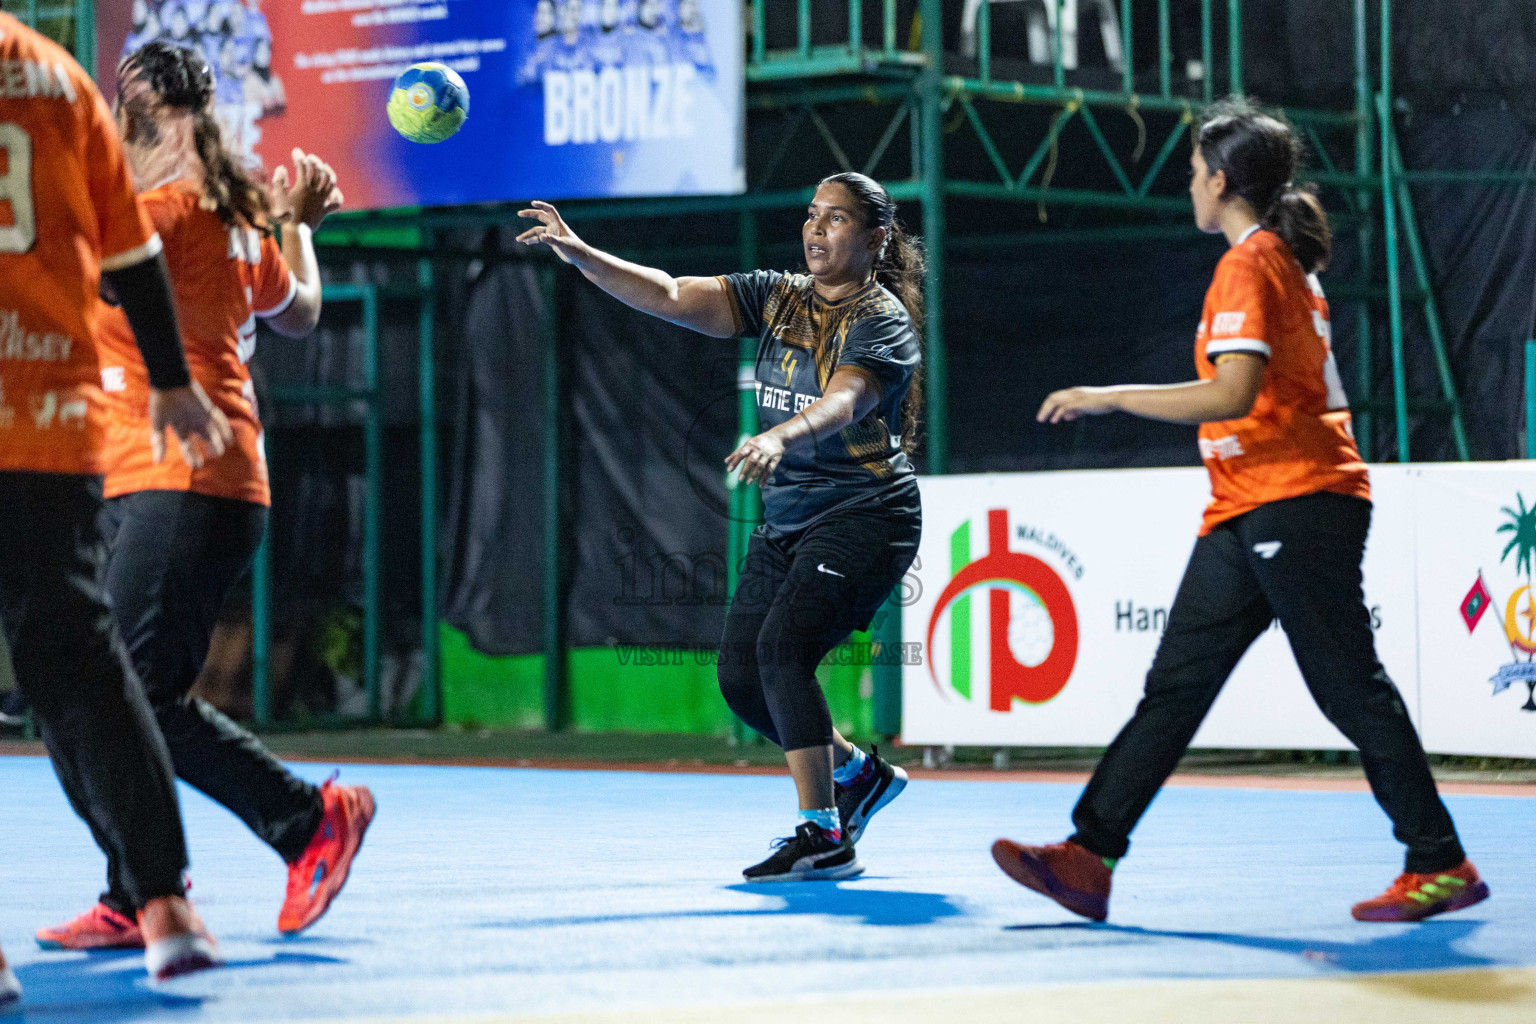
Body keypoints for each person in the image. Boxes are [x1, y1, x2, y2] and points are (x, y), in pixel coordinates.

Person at [991, 98, 1486, 924]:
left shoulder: (1252, 263)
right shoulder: (1278, 260)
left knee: (1348, 689)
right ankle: (1088, 855)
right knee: (1175, 688)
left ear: (1221, 182)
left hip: (1298, 502)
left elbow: (1232, 390)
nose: (1188, 184)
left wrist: (1107, 396)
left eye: (1193, 171)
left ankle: (1439, 859)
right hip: (1248, 507)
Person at [34, 41, 375, 953]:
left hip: (182, 476)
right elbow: (299, 307)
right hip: (181, 479)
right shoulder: (220, 213)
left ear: (129, 117)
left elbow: (65, 274)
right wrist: (296, 221)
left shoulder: (155, 212)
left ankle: (308, 822)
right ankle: (131, 890)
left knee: (127, 696)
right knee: (81, 691)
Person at [517, 171, 922, 882]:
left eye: (835, 220)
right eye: (811, 215)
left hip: (866, 514)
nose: (815, 230)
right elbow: (672, 294)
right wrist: (583, 253)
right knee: (741, 678)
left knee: (782, 651)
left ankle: (823, 832)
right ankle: (856, 776)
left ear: (876, 238)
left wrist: (781, 438)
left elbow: (846, 400)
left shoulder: (880, 320)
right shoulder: (780, 296)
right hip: (792, 513)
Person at [0, 10, 233, 988]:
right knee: (84, 659)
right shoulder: (59, 80)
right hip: (56, 418)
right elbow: (130, 252)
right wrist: (176, 382)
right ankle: (167, 909)